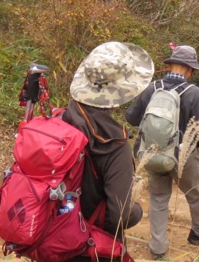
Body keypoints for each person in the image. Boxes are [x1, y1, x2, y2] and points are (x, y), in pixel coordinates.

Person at [125, 44, 199, 260]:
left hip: (153, 154)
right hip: (185, 154)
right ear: (189, 70)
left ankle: (158, 247)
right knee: (196, 193)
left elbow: (132, 118)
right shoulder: (194, 93)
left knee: (159, 198)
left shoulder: (152, 88)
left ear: (170, 65)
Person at [62, 41, 154, 256]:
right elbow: (119, 216)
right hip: (88, 247)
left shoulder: (62, 119)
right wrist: (136, 212)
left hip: (53, 239)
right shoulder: (113, 143)